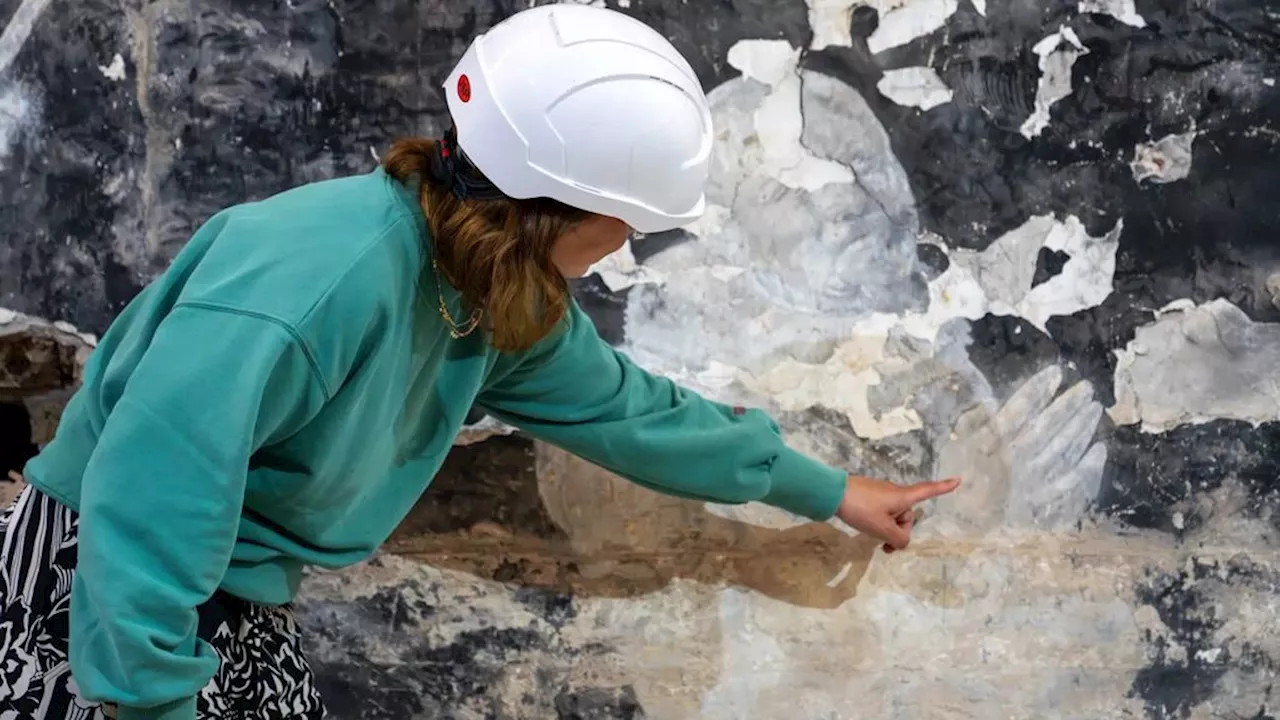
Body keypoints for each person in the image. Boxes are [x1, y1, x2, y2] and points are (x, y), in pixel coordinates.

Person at [0, 4, 960, 719]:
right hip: (106, 591)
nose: (621, 246)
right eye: (620, 224)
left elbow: (631, 414)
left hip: (230, 599)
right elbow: (149, 495)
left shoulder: (488, 290)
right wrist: (151, 699)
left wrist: (828, 488)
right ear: (552, 209)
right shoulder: (309, 283)